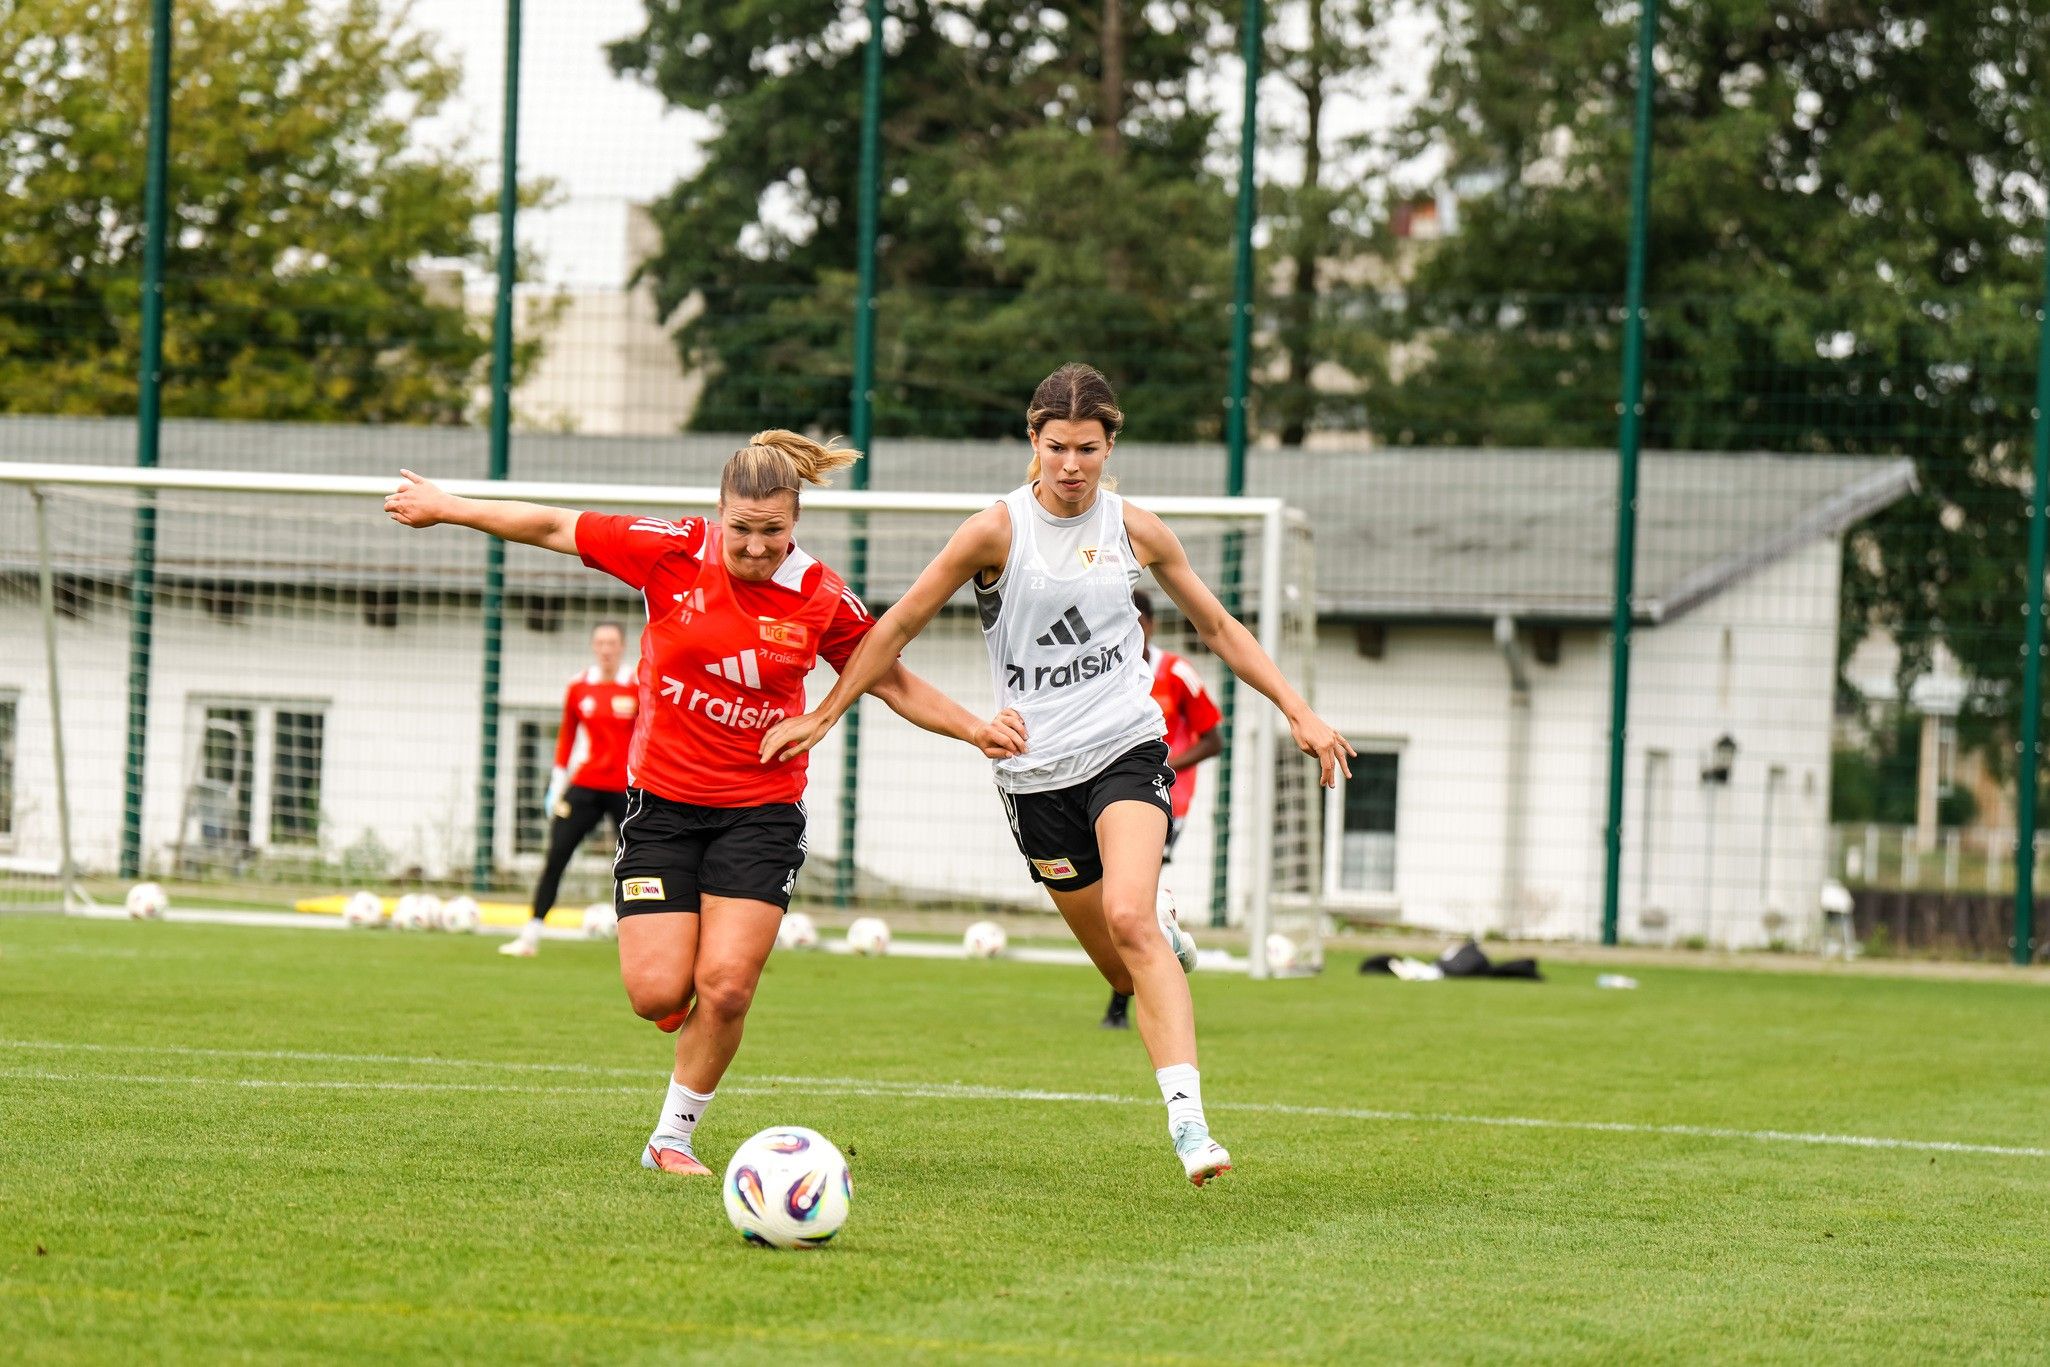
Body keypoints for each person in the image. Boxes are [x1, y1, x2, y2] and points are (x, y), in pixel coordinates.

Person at [761, 363, 1354, 1187]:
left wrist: (1299, 708)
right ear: (1031, 442)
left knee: (1128, 916)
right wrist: (826, 714)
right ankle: (1164, 928)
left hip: (1125, 748)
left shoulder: (1136, 530)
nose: (1070, 464)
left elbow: (1217, 624)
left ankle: (1189, 1124)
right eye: (1055, 446)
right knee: (1120, 963)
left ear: (1111, 445)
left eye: (1087, 447)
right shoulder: (992, 532)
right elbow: (896, 625)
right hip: (1034, 779)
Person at [385, 433, 1021, 1176]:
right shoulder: (670, 552)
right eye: (742, 529)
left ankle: (672, 1138)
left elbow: (893, 678)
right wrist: (447, 507)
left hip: (761, 811)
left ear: (795, 522)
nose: (755, 547)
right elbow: (556, 526)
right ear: (718, 514)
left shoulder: (820, 595)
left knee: (724, 986)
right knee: (657, 991)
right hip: (661, 807)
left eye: (772, 531)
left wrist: (977, 727)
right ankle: (679, 997)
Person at [1098, 589, 1222, 1029]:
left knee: (1130, 898)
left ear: (1147, 624)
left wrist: (1162, 763)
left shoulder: (1177, 673)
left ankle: (1122, 1007)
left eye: (1132, 621)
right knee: (1118, 897)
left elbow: (1213, 739)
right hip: (1109, 797)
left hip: (1168, 798)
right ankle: (1165, 932)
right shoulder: (1100, 671)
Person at [501, 621, 636, 959]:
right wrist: (556, 785)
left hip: (627, 790)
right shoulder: (579, 686)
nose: (606, 649)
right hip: (586, 786)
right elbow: (566, 737)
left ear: (621, 647)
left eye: (612, 643)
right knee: (556, 855)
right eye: (600, 643)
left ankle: (636, 939)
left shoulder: (636, 684)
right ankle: (530, 935)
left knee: (637, 862)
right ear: (594, 647)